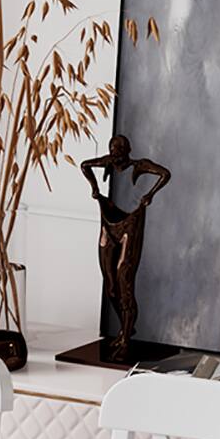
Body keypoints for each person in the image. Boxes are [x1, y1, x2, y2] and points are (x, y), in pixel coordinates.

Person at [81, 134, 171, 360]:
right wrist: (94, 188)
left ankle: (125, 339)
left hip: (130, 226)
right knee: (111, 286)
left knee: (125, 282)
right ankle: (126, 328)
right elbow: (84, 165)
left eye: (120, 149)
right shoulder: (108, 162)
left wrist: (150, 195)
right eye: (113, 149)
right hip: (108, 226)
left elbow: (165, 174)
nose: (116, 153)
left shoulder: (139, 165)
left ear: (128, 150)